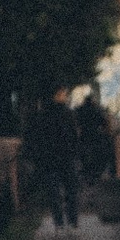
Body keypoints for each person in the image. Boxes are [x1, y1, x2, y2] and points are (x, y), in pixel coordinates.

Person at [28, 92, 82, 232]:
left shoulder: (42, 115)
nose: (64, 95)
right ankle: (72, 221)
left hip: (49, 159)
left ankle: (59, 222)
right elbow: (74, 135)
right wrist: (75, 153)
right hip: (66, 157)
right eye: (62, 93)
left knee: (54, 192)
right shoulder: (68, 114)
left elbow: (37, 138)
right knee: (71, 190)